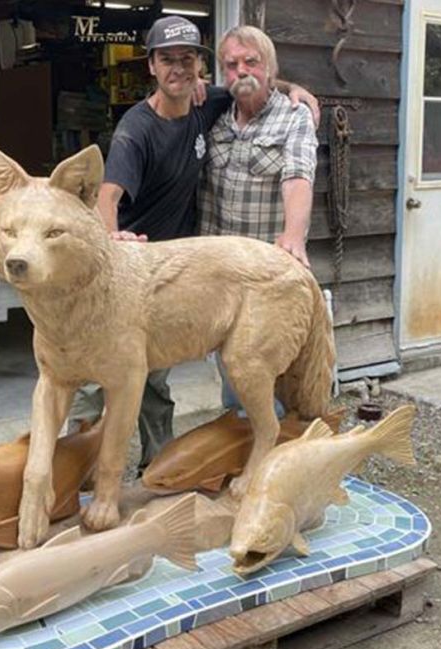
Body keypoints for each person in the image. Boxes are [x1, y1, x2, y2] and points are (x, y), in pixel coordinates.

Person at [69, 16, 318, 468]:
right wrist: (111, 236)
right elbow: (107, 195)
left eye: (188, 60)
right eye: (168, 60)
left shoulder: (212, 105)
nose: (178, 70)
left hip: (189, 273)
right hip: (130, 266)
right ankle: (76, 469)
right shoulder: (136, 128)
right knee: (94, 374)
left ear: (201, 70)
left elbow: (292, 161)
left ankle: (158, 470)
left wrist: (297, 89)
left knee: (155, 376)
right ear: (151, 66)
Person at [199, 25, 321, 415]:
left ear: (269, 67)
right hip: (218, 272)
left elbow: (298, 175)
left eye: (251, 62)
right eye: (231, 65)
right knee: (231, 372)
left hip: (265, 274)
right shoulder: (214, 114)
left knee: (262, 374)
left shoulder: (293, 117)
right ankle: (241, 449)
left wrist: (293, 237)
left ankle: (273, 457)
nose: (241, 71)